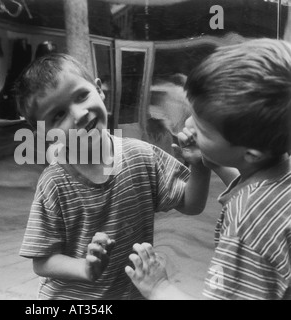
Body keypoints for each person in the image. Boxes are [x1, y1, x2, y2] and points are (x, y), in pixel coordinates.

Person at [15, 53, 212, 299]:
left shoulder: (141, 156)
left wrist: (200, 166)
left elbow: (191, 204)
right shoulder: (54, 182)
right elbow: (42, 261)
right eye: (58, 115)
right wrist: (85, 268)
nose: (78, 115)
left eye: (81, 96)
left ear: (99, 89)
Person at [126, 38, 291, 300]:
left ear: (251, 153)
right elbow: (256, 190)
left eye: (202, 128)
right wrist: (211, 162)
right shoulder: (281, 175)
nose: (189, 124)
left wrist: (158, 287)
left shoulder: (246, 225)